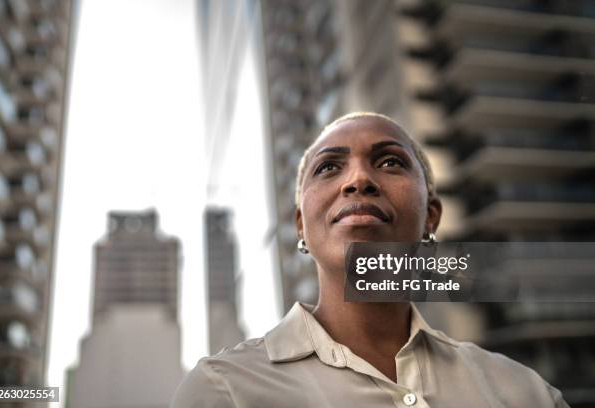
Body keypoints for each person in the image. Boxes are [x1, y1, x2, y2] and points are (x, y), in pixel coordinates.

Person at [171, 112, 569, 407]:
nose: (358, 179)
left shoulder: (524, 392)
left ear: (431, 216)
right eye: (329, 167)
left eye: (390, 161)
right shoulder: (222, 391)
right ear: (301, 227)